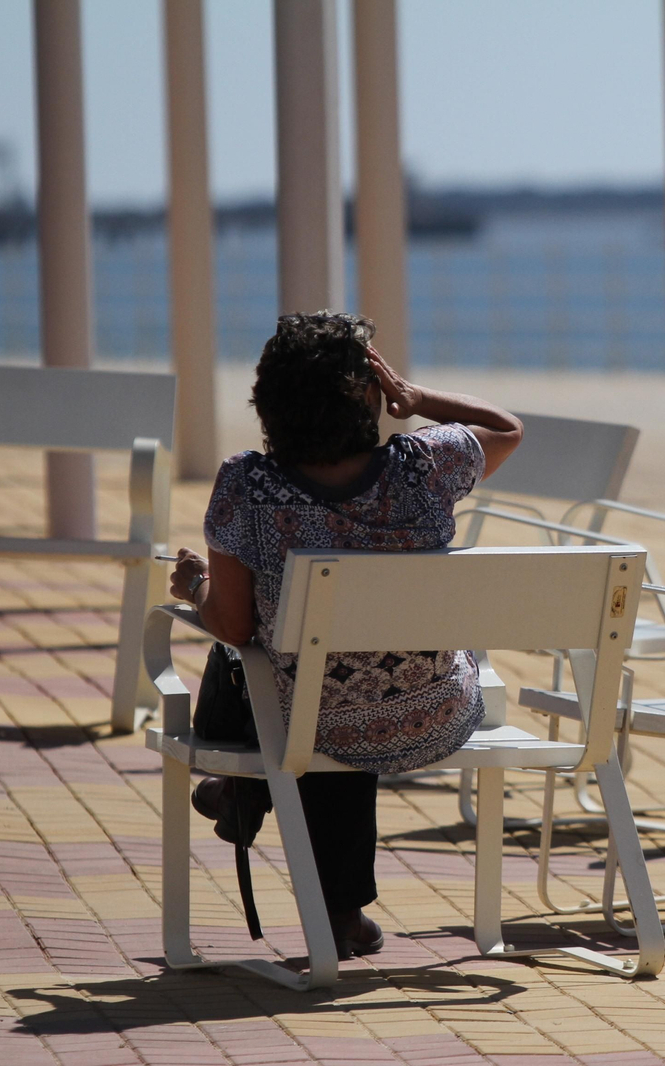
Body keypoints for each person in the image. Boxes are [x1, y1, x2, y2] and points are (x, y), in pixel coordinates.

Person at [167, 311, 522, 958]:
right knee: (344, 681)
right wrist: (417, 400)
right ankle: (337, 916)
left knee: (266, 662)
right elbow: (507, 429)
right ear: (369, 393)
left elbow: (235, 623)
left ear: (269, 399)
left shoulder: (248, 487)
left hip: (309, 718)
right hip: (435, 711)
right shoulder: (425, 467)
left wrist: (194, 589)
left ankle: (241, 786)